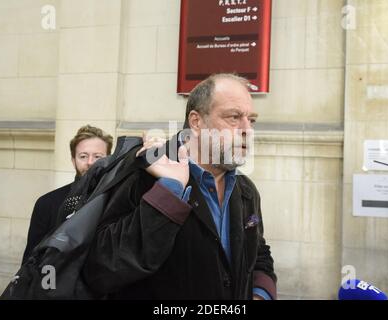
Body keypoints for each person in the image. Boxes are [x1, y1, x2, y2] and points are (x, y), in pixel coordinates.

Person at [83, 73, 277, 300]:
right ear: (196, 122)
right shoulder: (144, 177)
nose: (247, 130)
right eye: (234, 118)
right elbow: (102, 268)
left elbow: (257, 253)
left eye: (251, 120)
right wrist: (169, 193)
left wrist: (260, 293)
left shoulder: (246, 190)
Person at [21, 125, 113, 264]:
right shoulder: (47, 203)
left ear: (109, 159)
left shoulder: (118, 199)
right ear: (73, 160)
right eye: (83, 156)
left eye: (97, 156)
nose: (90, 162)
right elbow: (31, 260)